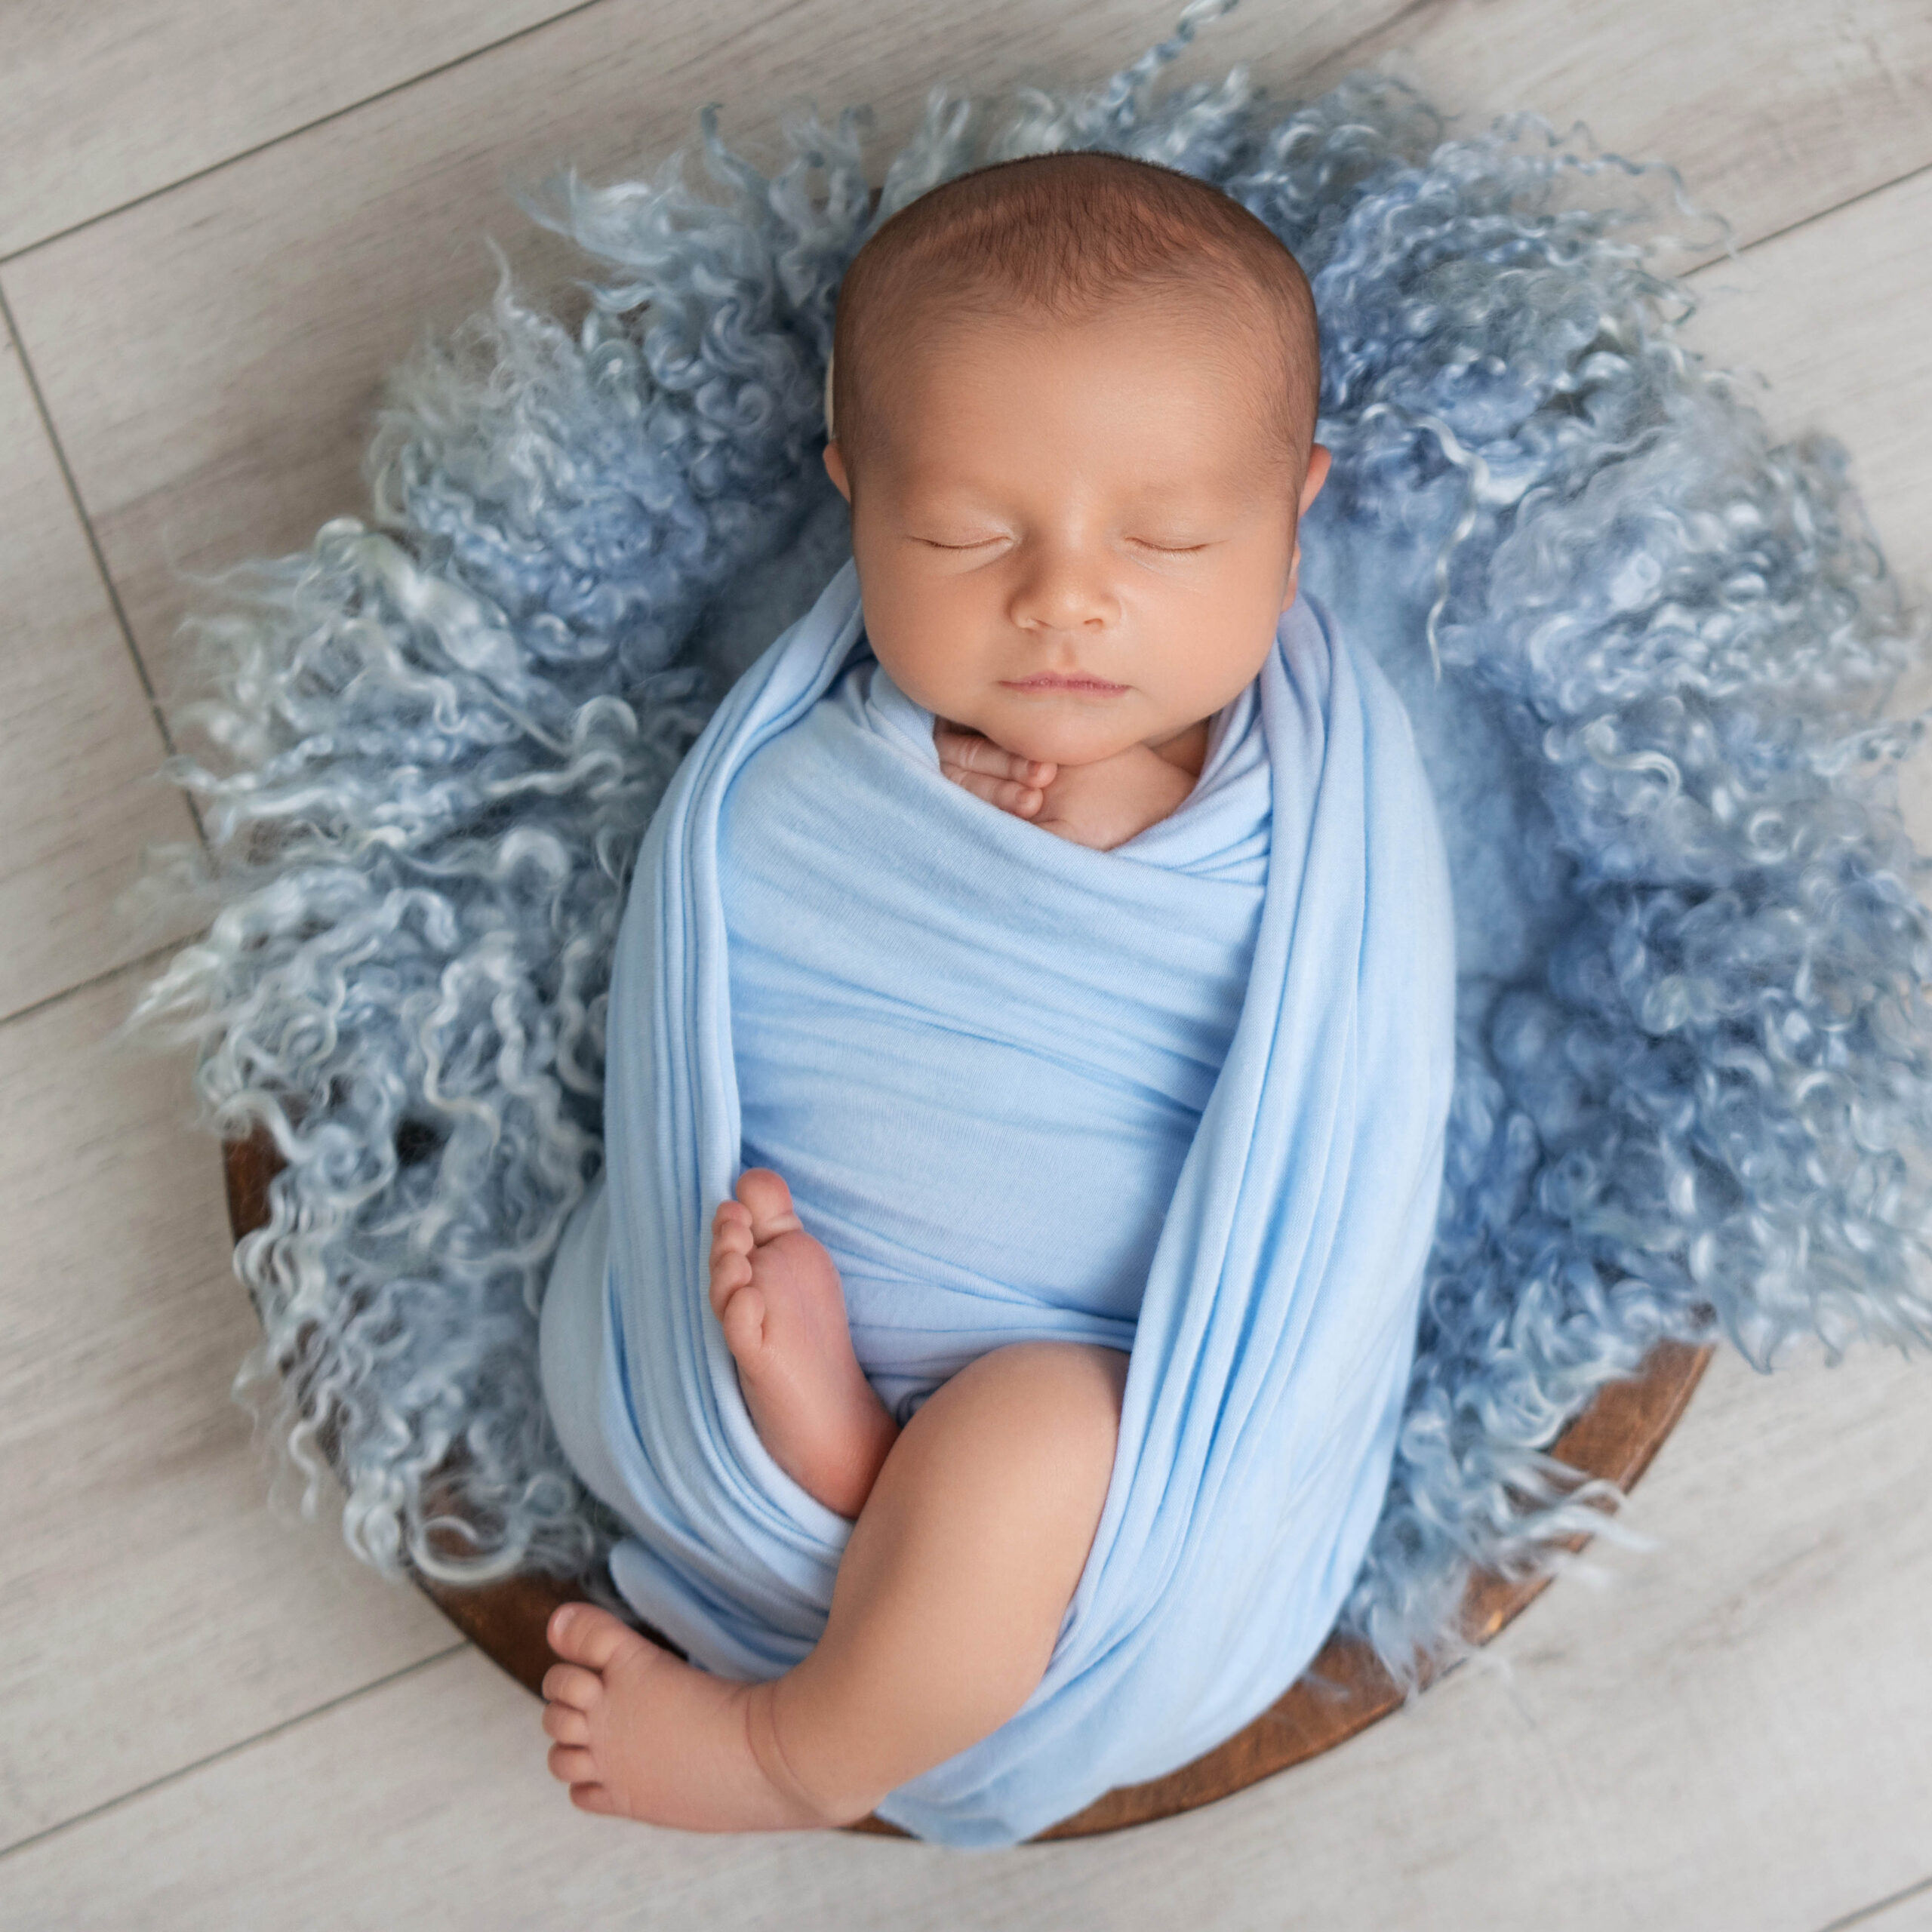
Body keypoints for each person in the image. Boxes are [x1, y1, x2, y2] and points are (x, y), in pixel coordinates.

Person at [538, 149, 1373, 1833]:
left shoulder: (1307, 812)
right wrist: (905, 784)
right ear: (853, 503)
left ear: (1293, 521)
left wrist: (1127, 814)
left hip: (1093, 1405)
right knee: (776, 1297)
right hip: (728, 1324)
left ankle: (793, 1749)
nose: (1062, 595)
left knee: (1042, 1435)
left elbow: (1340, 1082)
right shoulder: (815, 760)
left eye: (1168, 534)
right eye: (961, 531)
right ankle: (856, 1469)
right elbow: (739, 903)